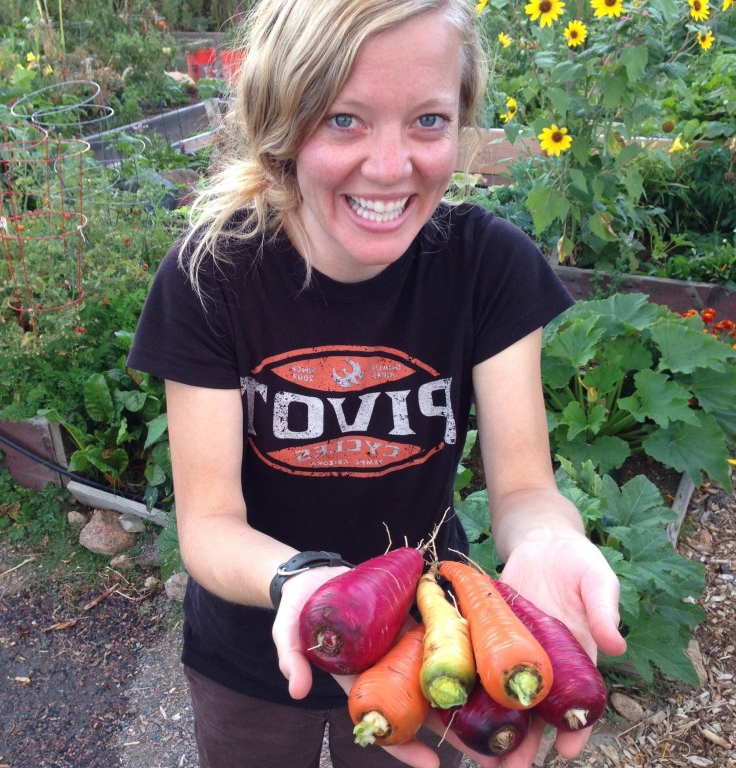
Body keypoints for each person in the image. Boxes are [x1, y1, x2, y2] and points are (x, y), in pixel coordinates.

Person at [127, 0, 627, 766]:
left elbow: (524, 490)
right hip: (255, 652)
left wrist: (552, 538)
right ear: (282, 121)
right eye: (343, 120)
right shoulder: (214, 277)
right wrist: (302, 583)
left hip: (428, 649)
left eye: (428, 121)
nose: (392, 167)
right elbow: (208, 525)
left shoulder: (484, 267)